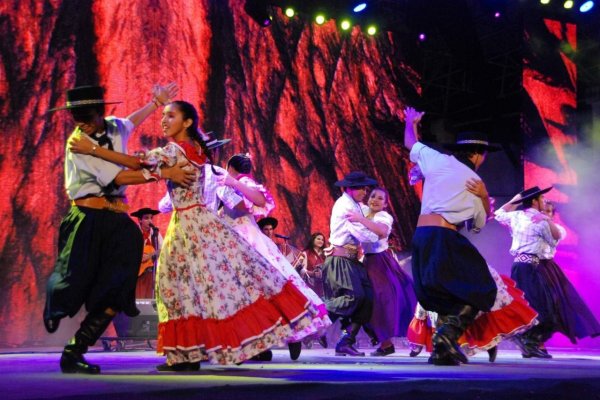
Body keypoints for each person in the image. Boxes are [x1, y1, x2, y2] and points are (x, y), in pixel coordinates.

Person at [74, 100, 318, 370]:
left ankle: (186, 355)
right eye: (163, 115)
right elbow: (143, 169)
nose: (164, 120)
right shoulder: (197, 150)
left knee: (177, 289)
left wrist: (93, 150)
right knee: (199, 289)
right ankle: (187, 354)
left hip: (190, 227)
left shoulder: (176, 150)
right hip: (202, 222)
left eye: (171, 115)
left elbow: (137, 162)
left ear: (187, 122)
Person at [43, 84, 194, 375]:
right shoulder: (80, 142)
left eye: (87, 116)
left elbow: (128, 123)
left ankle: (76, 350)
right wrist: (166, 173)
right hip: (86, 218)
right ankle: (55, 303)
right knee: (72, 283)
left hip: (115, 218)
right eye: (77, 117)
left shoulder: (112, 127)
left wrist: (153, 103)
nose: (82, 123)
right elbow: (122, 176)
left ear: (100, 113)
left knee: (118, 289)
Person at [404, 105, 501, 365]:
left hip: (422, 235)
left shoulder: (436, 159)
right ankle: (445, 336)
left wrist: (410, 121)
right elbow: (478, 225)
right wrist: (483, 197)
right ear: (479, 155)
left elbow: (410, 142)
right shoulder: (475, 182)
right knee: (482, 287)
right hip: (444, 237)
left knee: (445, 293)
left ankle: (442, 349)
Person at [218, 153, 331, 360]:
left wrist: (232, 184)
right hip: (232, 239)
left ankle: (291, 332)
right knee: (251, 293)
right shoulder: (223, 185)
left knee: (265, 288)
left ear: (230, 167)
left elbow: (257, 201)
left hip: (246, 240)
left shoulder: (240, 181)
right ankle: (258, 344)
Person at [495, 187, 600, 358]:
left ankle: (532, 342)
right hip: (529, 268)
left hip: (538, 267)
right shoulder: (531, 219)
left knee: (548, 309)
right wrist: (518, 199)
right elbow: (551, 239)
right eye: (542, 199)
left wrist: (545, 218)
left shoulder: (531, 219)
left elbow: (555, 238)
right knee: (539, 309)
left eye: (550, 210)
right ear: (535, 201)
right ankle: (529, 341)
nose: (545, 203)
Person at [346, 187, 417, 356]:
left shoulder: (384, 217)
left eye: (380, 199)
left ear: (385, 204)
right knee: (372, 303)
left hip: (381, 262)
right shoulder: (363, 211)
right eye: (373, 197)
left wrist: (360, 220)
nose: (375, 200)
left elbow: (381, 231)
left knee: (386, 301)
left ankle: (412, 340)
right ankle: (383, 343)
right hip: (369, 262)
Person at [323, 171, 379, 357]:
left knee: (368, 299)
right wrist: (377, 232)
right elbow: (364, 234)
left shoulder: (356, 205)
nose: (365, 191)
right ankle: (317, 313)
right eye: (361, 188)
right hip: (340, 261)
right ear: (349, 188)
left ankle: (345, 340)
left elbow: (367, 223)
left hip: (352, 260)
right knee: (353, 297)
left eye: (365, 187)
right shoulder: (346, 206)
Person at [130, 208, 163, 299]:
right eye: (146, 218)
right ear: (140, 220)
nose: (150, 220)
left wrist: (150, 255)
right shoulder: (133, 232)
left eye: (151, 218)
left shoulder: (155, 233)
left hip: (150, 272)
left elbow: (162, 249)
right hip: (136, 271)